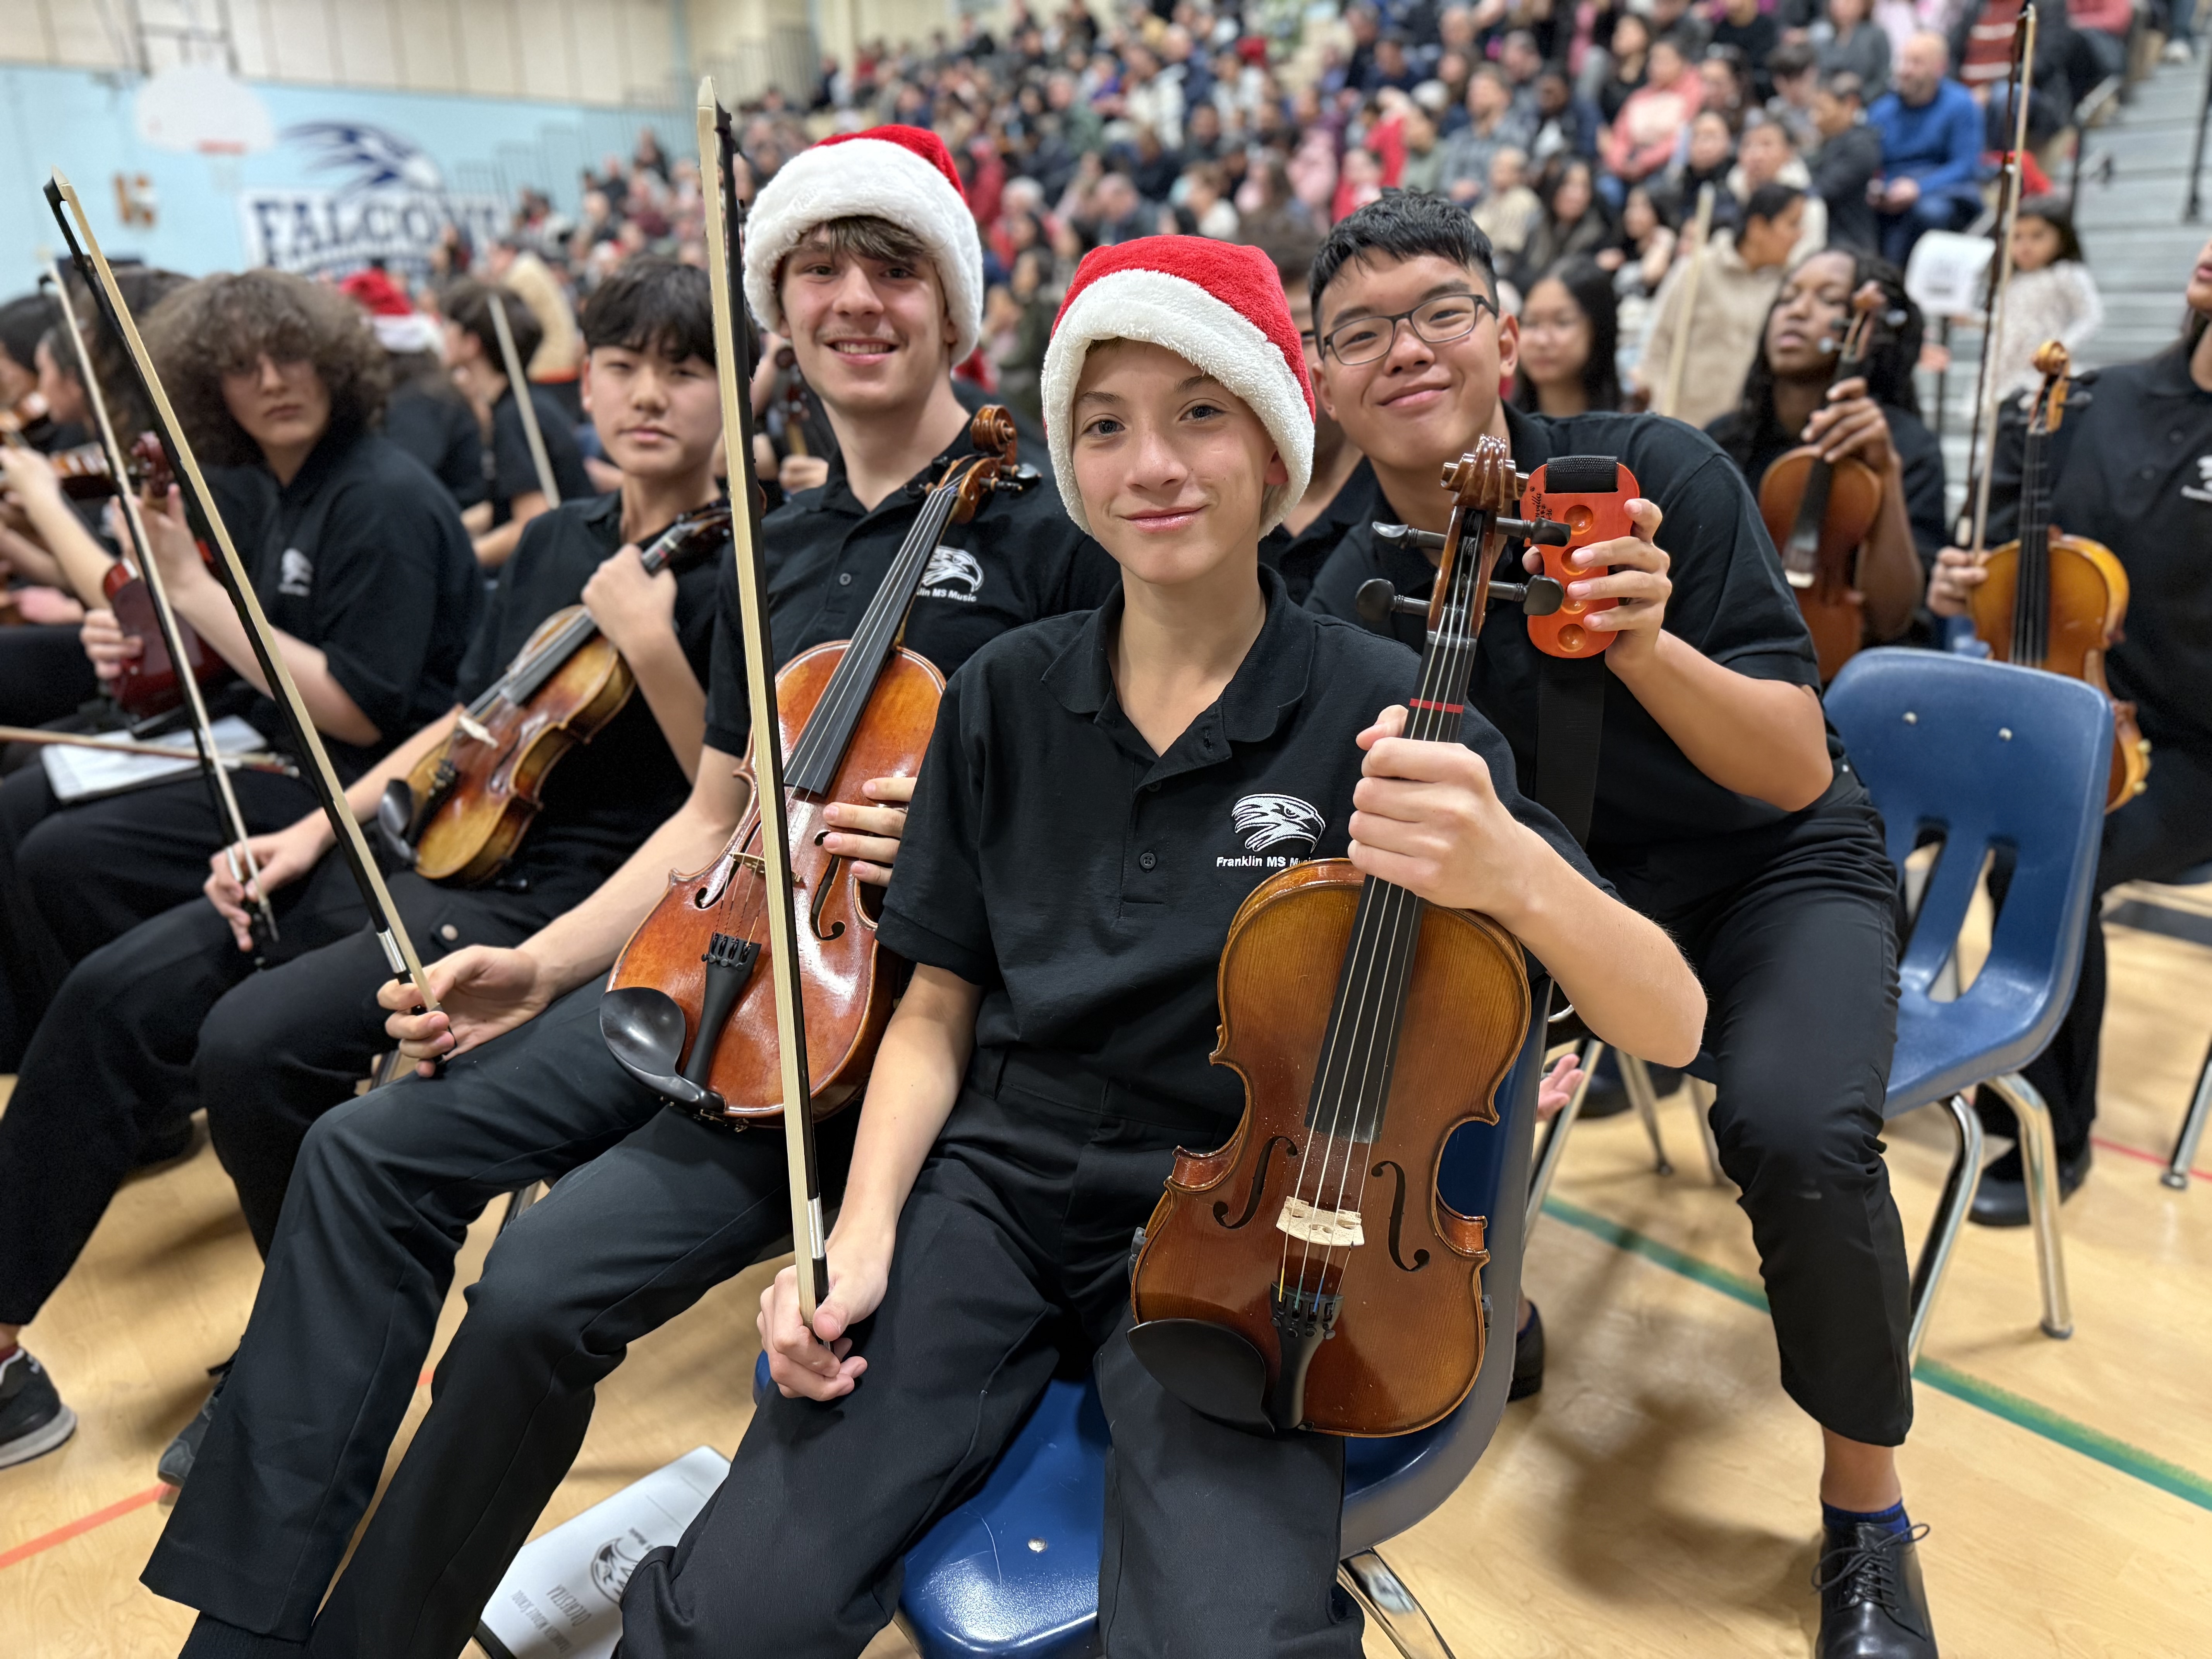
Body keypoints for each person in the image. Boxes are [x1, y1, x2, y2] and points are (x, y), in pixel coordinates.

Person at [616, 231, 1705, 1659]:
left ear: (1276, 453)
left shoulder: (1391, 709)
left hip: (1260, 1233)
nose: (1154, 467)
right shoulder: (1003, 693)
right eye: (1107, 426)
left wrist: (1510, 866)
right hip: (994, 1187)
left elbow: (1674, 1020)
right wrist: (859, 1230)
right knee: (733, 1612)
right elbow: (939, 1001)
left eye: (1202, 413)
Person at [141, 124, 1118, 1659]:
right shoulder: (769, 545)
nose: (856, 299)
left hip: (876, 1038)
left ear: (960, 310)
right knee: (361, 1152)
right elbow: (710, 820)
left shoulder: (1058, 542)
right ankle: (245, 1627)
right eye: (819, 269)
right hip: (701, 961)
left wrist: (962, 829)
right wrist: (535, 967)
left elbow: (1105, 827)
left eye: (896, 268)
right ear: (781, 313)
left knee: (534, 1289)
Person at [1305, 191, 1940, 1659]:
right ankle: (1478, 1295)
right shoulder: (1336, 579)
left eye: (1441, 310)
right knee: (1367, 1027)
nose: (1405, 348)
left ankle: (1866, 1513)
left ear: (1506, 337)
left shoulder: (1658, 475)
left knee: (1793, 1127)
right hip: (1559, 902)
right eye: (1361, 331)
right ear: (1324, 378)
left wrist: (1643, 638)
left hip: (1769, 869)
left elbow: (1791, 762)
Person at [0, 257, 728, 1477]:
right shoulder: (559, 536)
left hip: (564, 897)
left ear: (736, 389)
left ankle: (312, 1353)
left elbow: (728, 797)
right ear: (584, 379)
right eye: (619, 365)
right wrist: (315, 831)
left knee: (252, 1045)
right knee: (117, 992)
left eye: (683, 368)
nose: (645, 394)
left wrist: (653, 642)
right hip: (435, 840)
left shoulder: (759, 559)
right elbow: (464, 720)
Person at [0, 270, 477, 1072]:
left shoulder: (378, 498)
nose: (272, 381)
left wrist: (188, 585)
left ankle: (155, 1067)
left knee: (62, 854)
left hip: (356, 779)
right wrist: (142, 633)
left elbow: (358, 713)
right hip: (278, 742)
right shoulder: (289, 486)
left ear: (334, 361)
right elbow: (243, 652)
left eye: (291, 355)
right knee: (30, 814)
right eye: (242, 365)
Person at [1925, 237, 2212, 1225]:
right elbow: (2008, 566)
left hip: (2192, 753)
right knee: (1869, 800)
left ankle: (2048, 1130)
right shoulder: (2087, 403)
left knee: (2052, 860)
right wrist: (1969, 581)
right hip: (2056, 712)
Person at [1706, 248, 1939, 654]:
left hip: (1854, 673)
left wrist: (1885, 475)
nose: (1798, 312)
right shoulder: (1723, 441)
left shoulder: (1905, 447)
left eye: (1829, 300)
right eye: (1788, 297)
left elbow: (1892, 618)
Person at [442, 278, 594, 568]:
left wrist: (457, 563)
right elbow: (505, 506)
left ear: (471, 344)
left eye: (449, 326)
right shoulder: (528, 402)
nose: (442, 333)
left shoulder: (514, 417)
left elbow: (531, 522)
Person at [1633, 181, 1807, 427]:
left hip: (1740, 434)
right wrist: (1661, 410)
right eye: (1792, 224)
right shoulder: (1697, 270)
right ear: (1758, 227)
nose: (1800, 235)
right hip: (1683, 424)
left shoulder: (1787, 286)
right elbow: (1658, 343)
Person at [1266, 237, 1377, 600]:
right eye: (1265, 337)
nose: (1287, 358)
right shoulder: (1207, 512)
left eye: (1307, 336)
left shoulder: (1404, 497)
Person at [1867, 33, 1985, 268]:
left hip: (1942, 190)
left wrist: (1918, 189)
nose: (1905, 70)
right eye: (1903, 61)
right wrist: (1875, 188)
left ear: (1939, 67)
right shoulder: (1881, 110)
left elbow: (1965, 166)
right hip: (1891, 189)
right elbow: (1869, 162)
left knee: (1928, 213)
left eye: (1916, 63)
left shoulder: (1961, 104)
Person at [1985, 198, 2105, 402]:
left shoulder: (2065, 273)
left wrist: (2062, 346)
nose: (2025, 246)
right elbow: (2004, 321)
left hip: (2042, 365)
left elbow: (2091, 317)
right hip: (2006, 366)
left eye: (2037, 236)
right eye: (2017, 237)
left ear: (2062, 238)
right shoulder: (2012, 280)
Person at [1513, 256, 1623, 417]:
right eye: (1531, 323)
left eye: (1562, 322)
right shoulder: (1496, 429)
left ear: (1599, 330)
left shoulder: (1632, 433)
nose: (1542, 341)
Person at [1600, 34, 1705, 188]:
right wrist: (1621, 162)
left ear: (1683, 63)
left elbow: (1682, 137)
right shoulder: (1639, 96)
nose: (1656, 66)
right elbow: (1619, 137)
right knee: (1605, 187)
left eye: (1664, 60)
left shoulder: (1694, 92)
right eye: (1653, 60)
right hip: (1628, 167)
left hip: (1667, 170)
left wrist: (1645, 161)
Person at [1733, 114, 1829, 261]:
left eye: (1767, 145)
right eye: (1748, 145)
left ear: (1789, 152)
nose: (1756, 155)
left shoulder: (1808, 204)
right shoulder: (1725, 194)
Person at [1516, 156, 1618, 289]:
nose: (1576, 195)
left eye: (1584, 187)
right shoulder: (1537, 224)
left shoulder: (1598, 235)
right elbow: (1517, 271)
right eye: (1568, 184)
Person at [1812, 71, 1884, 252]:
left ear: (1850, 105)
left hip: (1850, 246)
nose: (1814, 118)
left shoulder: (1861, 146)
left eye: (1822, 109)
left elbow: (1822, 191)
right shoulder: (1827, 143)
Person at [1441, 65, 1534, 204]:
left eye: (1484, 90)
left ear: (1505, 97)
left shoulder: (1517, 137)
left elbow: (1514, 181)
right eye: (1472, 91)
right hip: (1455, 209)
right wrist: (1456, 187)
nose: (1475, 96)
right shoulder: (1459, 138)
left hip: (1496, 209)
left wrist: (1477, 190)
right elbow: (1445, 180)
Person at [1819, 0, 1895, 97]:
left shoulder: (1876, 35)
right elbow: (1822, 78)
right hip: (1833, 104)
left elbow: (1884, 77)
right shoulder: (1827, 39)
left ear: (1863, 4)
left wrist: (1860, 92)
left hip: (1869, 102)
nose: (1840, 4)